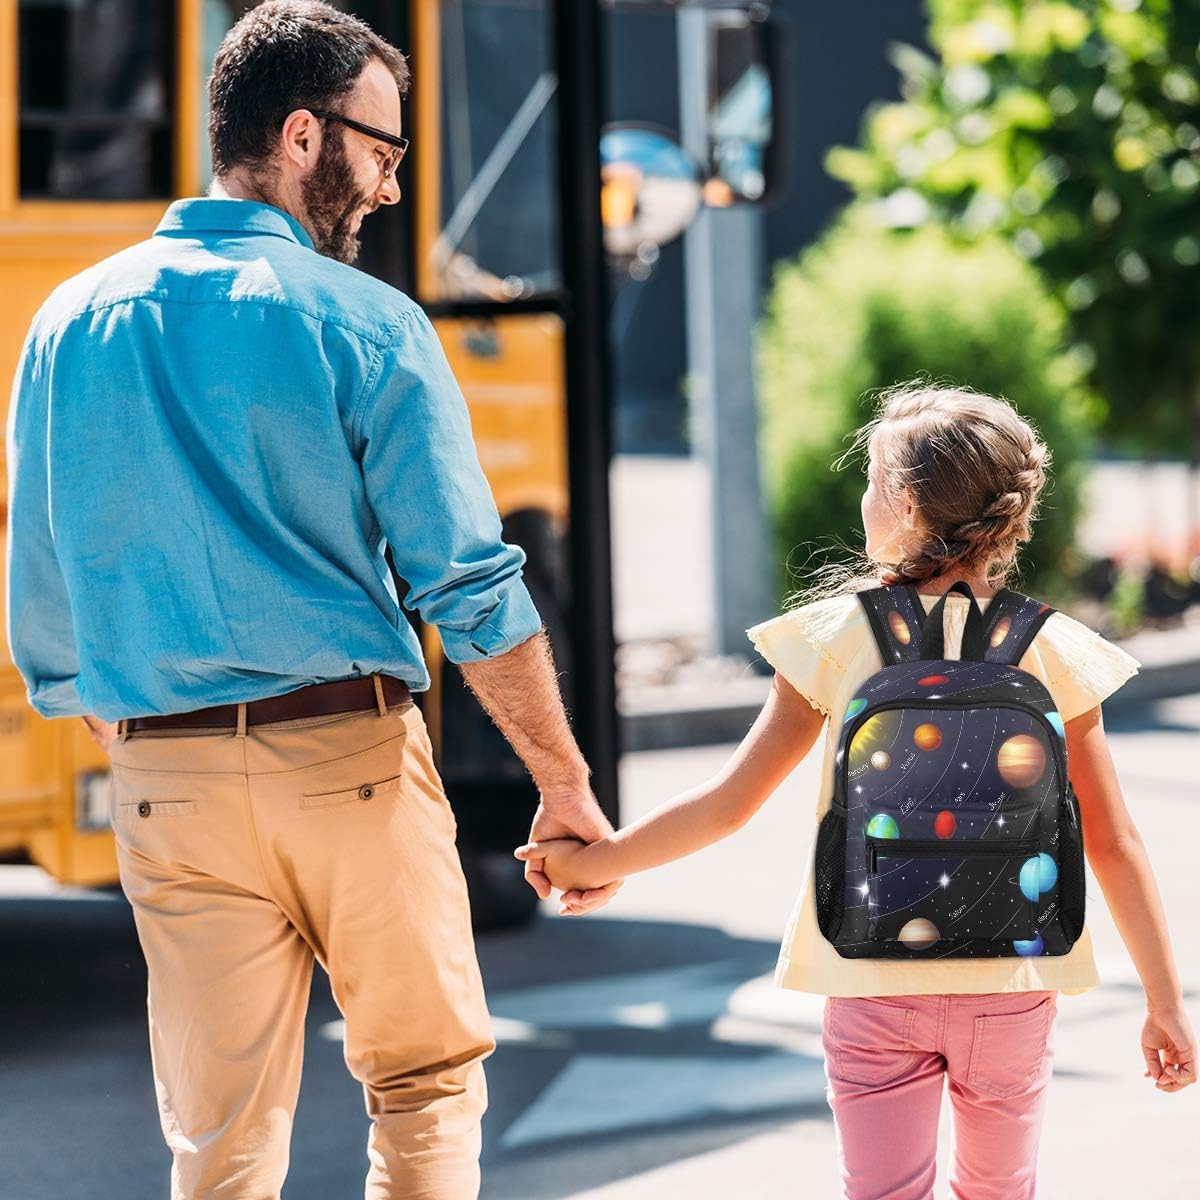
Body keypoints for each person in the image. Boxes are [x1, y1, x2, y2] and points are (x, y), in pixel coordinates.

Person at [6, 3, 618, 1197]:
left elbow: (43, 579)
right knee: (424, 1086)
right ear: (301, 134)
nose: (389, 186)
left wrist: (139, 731)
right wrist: (561, 784)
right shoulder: (366, 322)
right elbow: (469, 583)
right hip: (346, 760)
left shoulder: (65, 323)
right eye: (383, 151)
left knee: (219, 1138)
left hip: (163, 784)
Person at [517, 384, 1196, 1199]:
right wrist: (1163, 1002)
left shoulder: (838, 636)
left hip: (871, 981)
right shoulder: (1048, 647)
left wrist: (591, 863)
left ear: (906, 505)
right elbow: (1114, 842)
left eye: (874, 482)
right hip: (1011, 992)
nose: (865, 498)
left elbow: (729, 802)